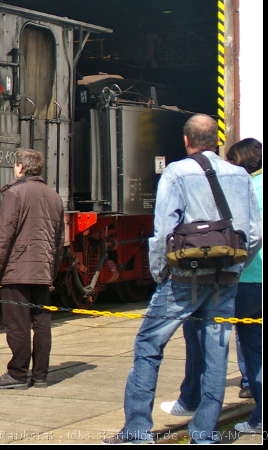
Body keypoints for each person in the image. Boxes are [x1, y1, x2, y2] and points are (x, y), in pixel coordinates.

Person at [107, 115, 261, 444]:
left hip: (184, 279)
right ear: (216, 142)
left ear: (187, 141)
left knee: (148, 346)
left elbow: (163, 232)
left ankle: (137, 431)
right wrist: (235, 267)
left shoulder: (176, 172)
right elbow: (253, 234)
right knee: (217, 354)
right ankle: (204, 434)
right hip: (226, 280)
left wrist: (161, 273)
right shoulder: (239, 175)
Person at [160, 138, 262, 436]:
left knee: (201, 337)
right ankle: (260, 417)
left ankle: (191, 400)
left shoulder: (242, 186)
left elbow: (248, 235)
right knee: (255, 349)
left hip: (240, 278)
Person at [0, 148, 63, 390]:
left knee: (17, 324)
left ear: (20, 167)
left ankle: (17, 374)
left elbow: (3, 235)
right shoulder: (54, 196)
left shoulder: (15, 193)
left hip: (17, 269)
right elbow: (59, 241)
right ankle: (40, 375)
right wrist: (52, 271)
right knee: (41, 323)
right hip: (42, 270)